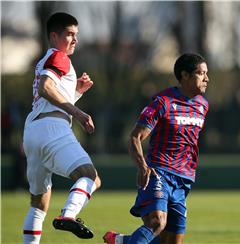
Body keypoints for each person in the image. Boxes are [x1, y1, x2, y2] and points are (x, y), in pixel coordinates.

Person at [103, 53, 209, 244]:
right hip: (159, 172)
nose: (206, 78)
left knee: (169, 242)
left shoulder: (203, 105)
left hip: (183, 179)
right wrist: (143, 166)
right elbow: (135, 137)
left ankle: (122, 241)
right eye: (201, 73)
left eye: (206, 73)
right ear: (184, 75)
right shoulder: (162, 102)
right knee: (157, 223)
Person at [22, 12, 101, 243]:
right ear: (54, 36)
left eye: (76, 35)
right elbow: (47, 88)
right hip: (52, 129)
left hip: (33, 132)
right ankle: (68, 215)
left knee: (39, 203)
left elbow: (48, 95)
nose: (75, 39)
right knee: (90, 176)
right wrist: (78, 113)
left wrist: (76, 91)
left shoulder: (46, 59)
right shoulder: (60, 57)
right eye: (69, 34)